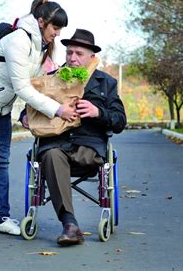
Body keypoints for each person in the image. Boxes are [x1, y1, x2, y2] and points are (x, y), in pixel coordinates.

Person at [0, 0, 77, 236]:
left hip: (0, 107)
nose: (58, 33)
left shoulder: (41, 46)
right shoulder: (19, 40)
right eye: (55, 27)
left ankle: (2, 218)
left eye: (61, 28)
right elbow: (23, 88)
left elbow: (41, 82)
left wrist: (26, 111)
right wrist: (57, 110)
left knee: (0, 162)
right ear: (41, 22)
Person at [21, 29, 127, 245]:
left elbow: (120, 121)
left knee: (58, 153)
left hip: (89, 147)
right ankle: (70, 224)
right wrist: (24, 117)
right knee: (50, 155)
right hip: (55, 144)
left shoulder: (106, 82)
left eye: (79, 53)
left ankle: (72, 225)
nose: (72, 58)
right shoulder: (52, 79)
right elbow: (31, 106)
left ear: (91, 57)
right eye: (69, 53)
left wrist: (98, 112)